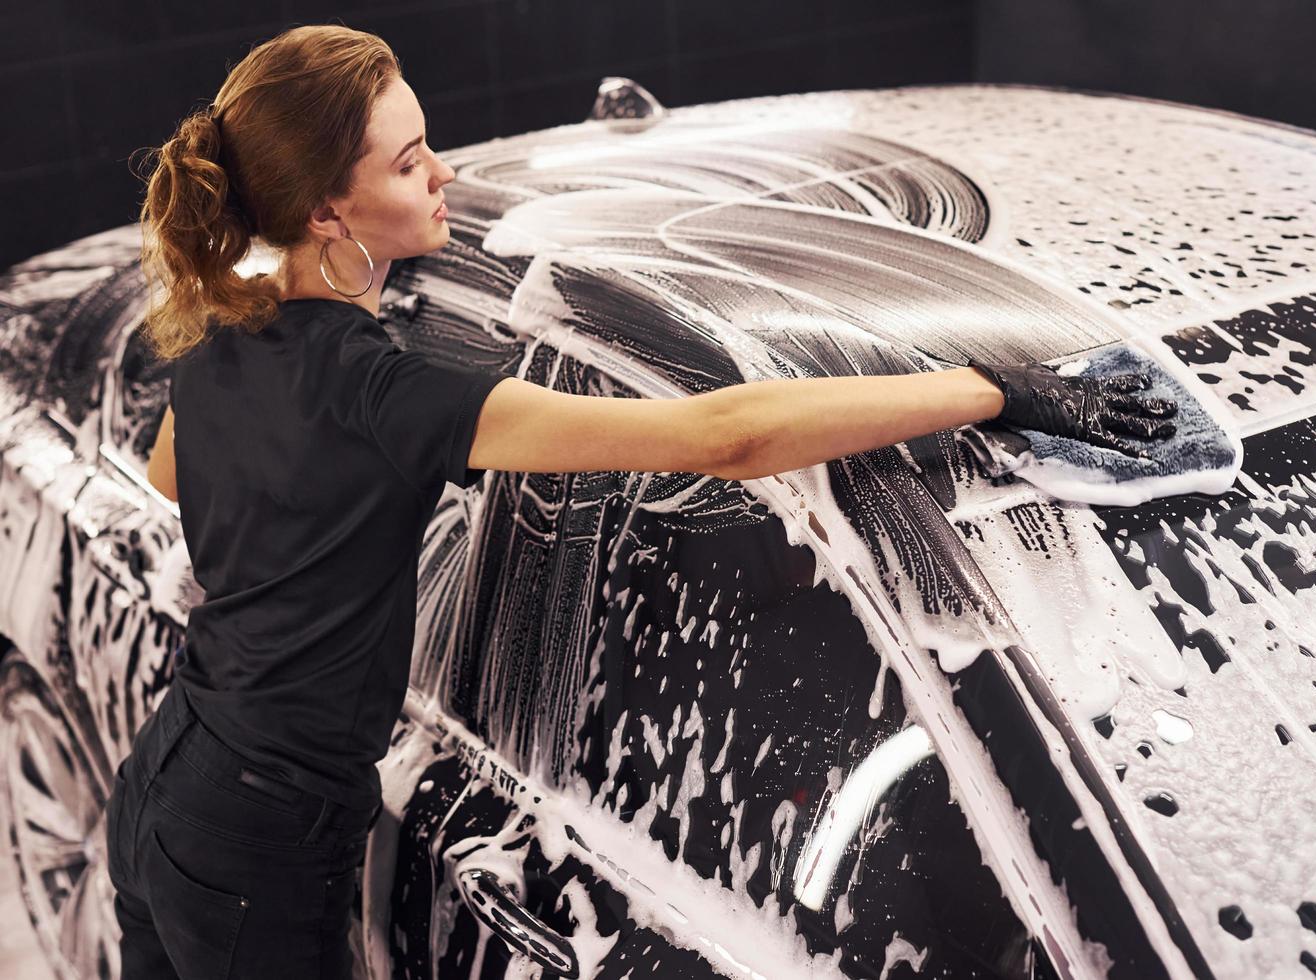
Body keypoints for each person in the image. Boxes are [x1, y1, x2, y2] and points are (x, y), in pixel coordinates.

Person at [104, 22, 1178, 980]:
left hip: (170, 777)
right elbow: (723, 436)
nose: (443, 172)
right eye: (410, 158)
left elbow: (170, 476)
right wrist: (994, 388)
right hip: (264, 840)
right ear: (330, 209)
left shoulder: (224, 330)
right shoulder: (384, 387)